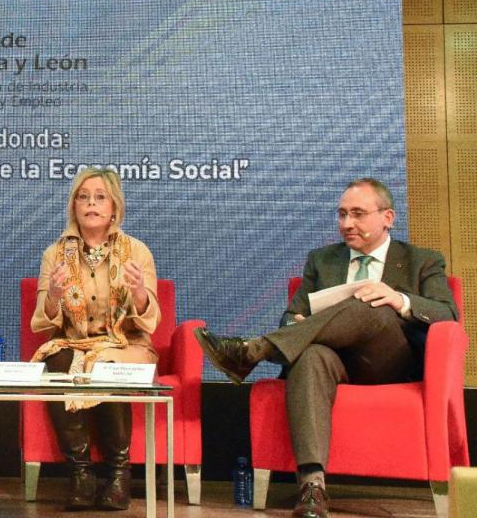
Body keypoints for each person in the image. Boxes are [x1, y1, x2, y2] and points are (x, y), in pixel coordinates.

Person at [194, 177, 458, 518]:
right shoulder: (322, 261)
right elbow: (290, 318)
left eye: (358, 214)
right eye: (342, 214)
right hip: (333, 360)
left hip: (390, 363)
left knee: (370, 300)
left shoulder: (421, 260)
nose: (347, 224)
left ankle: (254, 351)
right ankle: (312, 487)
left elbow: (447, 313)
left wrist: (399, 299)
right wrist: (298, 325)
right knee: (311, 356)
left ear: (387, 217)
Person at [29, 168, 161, 512]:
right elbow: (44, 323)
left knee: (104, 365)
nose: (90, 203)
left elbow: (148, 320)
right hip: (74, 343)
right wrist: (54, 294)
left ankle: (119, 473)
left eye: (99, 197)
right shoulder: (55, 254)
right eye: (83, 197)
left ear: (114, 207)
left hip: (125, 344)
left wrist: (138, 293)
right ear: (74, 206)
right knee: (54, 362)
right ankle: (81, 473)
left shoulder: (137, 252)